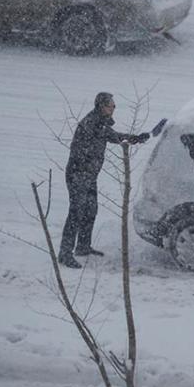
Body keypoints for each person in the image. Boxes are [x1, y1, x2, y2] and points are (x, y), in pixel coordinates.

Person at [58, 92, 149, 268]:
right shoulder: (91, 123)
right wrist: (86, 168)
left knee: (91, 210)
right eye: (111, 106)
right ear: (101, 106)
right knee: (76, 213)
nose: (113, 108)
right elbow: (82, 149)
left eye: (114, 106)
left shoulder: (100, 123)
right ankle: (64, 253)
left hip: (89, 175)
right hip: (78, 174)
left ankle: (83, 247)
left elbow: (113, 136)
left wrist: (136, 138)